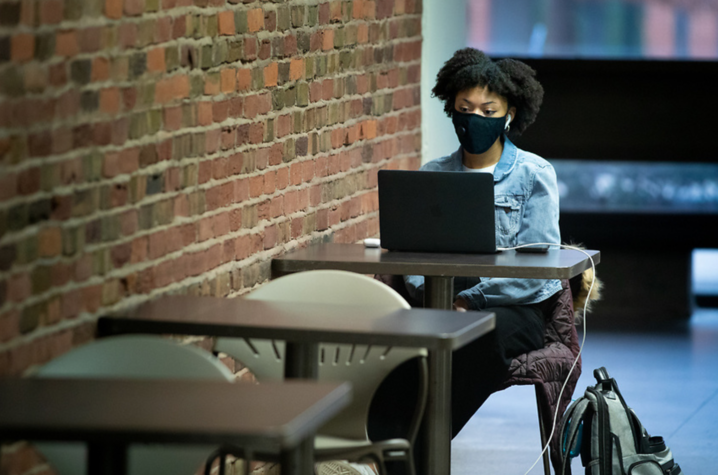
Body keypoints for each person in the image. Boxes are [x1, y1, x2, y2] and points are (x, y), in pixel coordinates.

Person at [405, 47, 562, 436]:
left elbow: (538, 271)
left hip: (514, 308)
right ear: (451, 109)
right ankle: (388, 446)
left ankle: (416, 448)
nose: (475, 118)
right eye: (465, 107)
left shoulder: (534, 174)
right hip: (443, 301)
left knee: (476, 340)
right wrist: (440, 301)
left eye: (489, 111)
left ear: (509, 115)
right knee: (403, 349)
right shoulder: (433, 174)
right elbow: (411, 259)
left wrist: (468, 301)